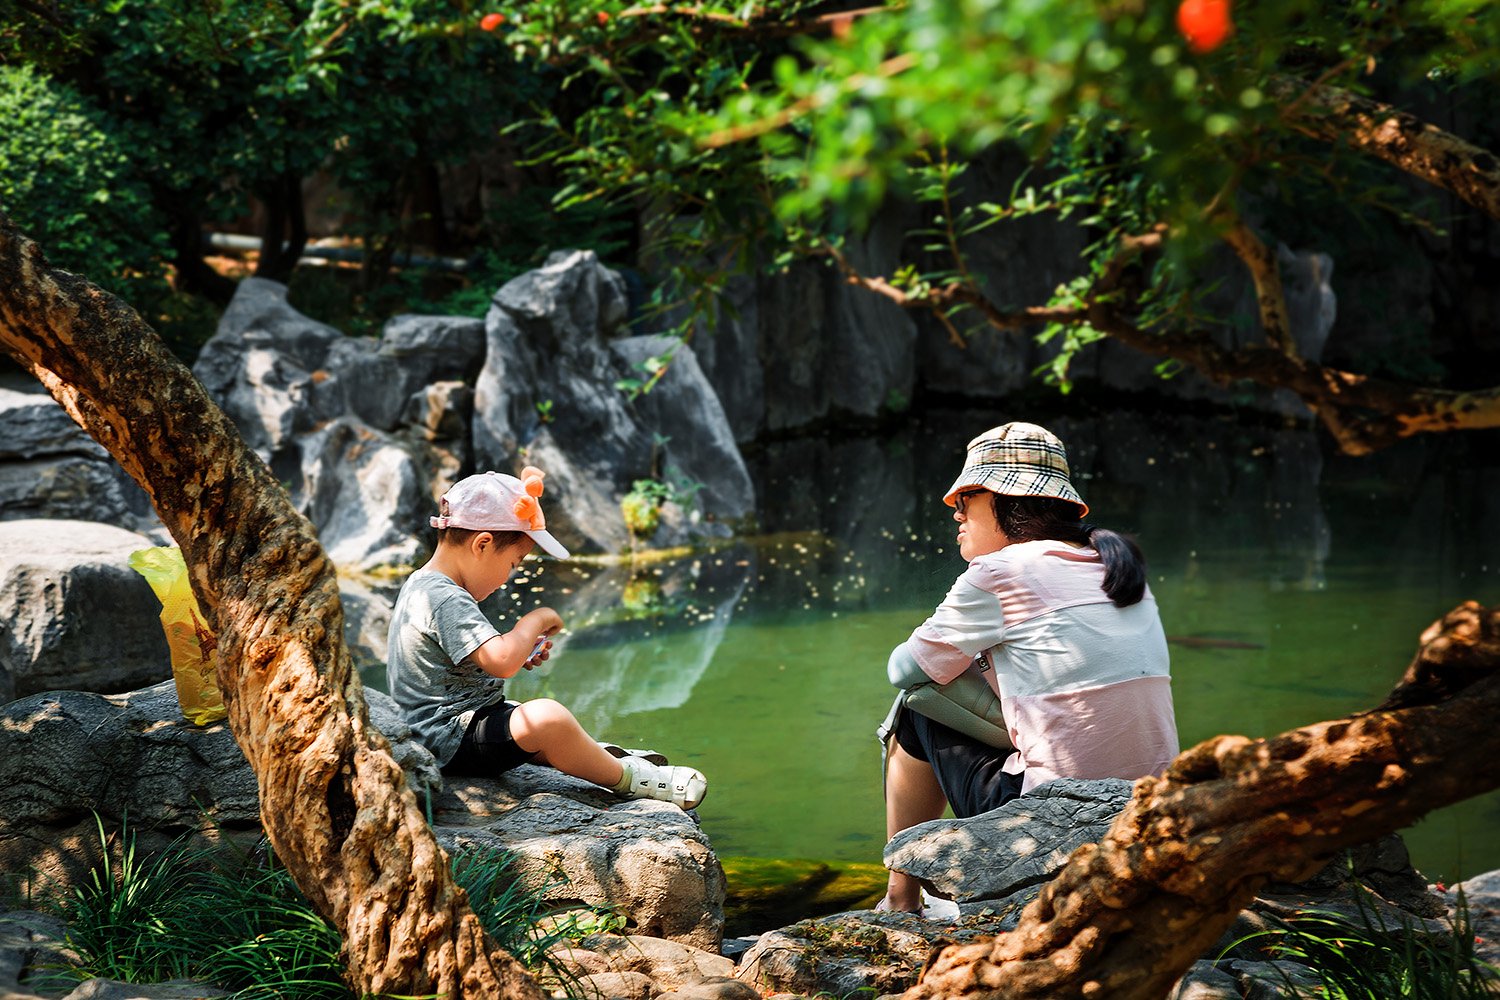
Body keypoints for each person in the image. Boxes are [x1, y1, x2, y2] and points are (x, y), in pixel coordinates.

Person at [878, 422, 1177, 914]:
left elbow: (903, 670)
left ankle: (900, 900)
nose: (956, 512)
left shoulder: (1000, 572)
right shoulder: (1118, 568)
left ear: (1006, 501)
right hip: (1148, 809)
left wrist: (968, 658)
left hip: (1049, 819)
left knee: (916, 706)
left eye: (966, 498)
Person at [387, 467, 707, 809]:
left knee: (530, 719)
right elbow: (500, 661)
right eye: (513, 564)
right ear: (482, 544)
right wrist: (533, 620)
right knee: (546, 719)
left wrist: (520, 649)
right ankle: (628, 778)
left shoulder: (426, 585)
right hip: (446, 740)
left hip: (454, 729)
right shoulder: (445, 597)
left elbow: (471, 656)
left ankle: (592, 757)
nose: (509, 577)